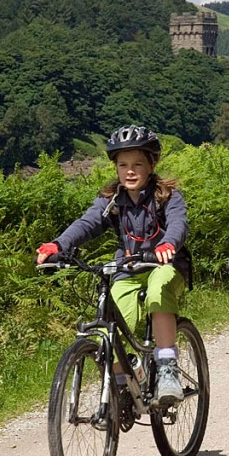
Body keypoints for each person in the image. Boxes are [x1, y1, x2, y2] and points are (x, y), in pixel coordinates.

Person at [36, 125, 190, 406]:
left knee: (158, 293)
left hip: (166, 265)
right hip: (129, 269)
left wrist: (167, 245)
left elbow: (178, 224)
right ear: (116, 168)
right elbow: (87, 223)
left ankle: (167, 369)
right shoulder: (112, 201)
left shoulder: (167, 197)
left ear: (151, 165)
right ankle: (122, 384)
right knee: (117, 322)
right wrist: (59, 245)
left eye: (137, 164)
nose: (129, 171)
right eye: (123, 165)